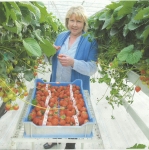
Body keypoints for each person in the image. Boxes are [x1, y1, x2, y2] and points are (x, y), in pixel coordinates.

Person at [43, 5, 98, 149]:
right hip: (57, 85)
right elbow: (50, 60)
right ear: (67, 21)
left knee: (74, 114)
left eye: (78, 21)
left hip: (76, 88)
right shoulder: (61, 36)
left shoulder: (90, 40)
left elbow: (92, 68)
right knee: (56, 111)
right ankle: (54, 138)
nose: (74, 24)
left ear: (84, 23)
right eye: (71, 20)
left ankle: (70, 144)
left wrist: (73, 63)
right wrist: (48, 51)